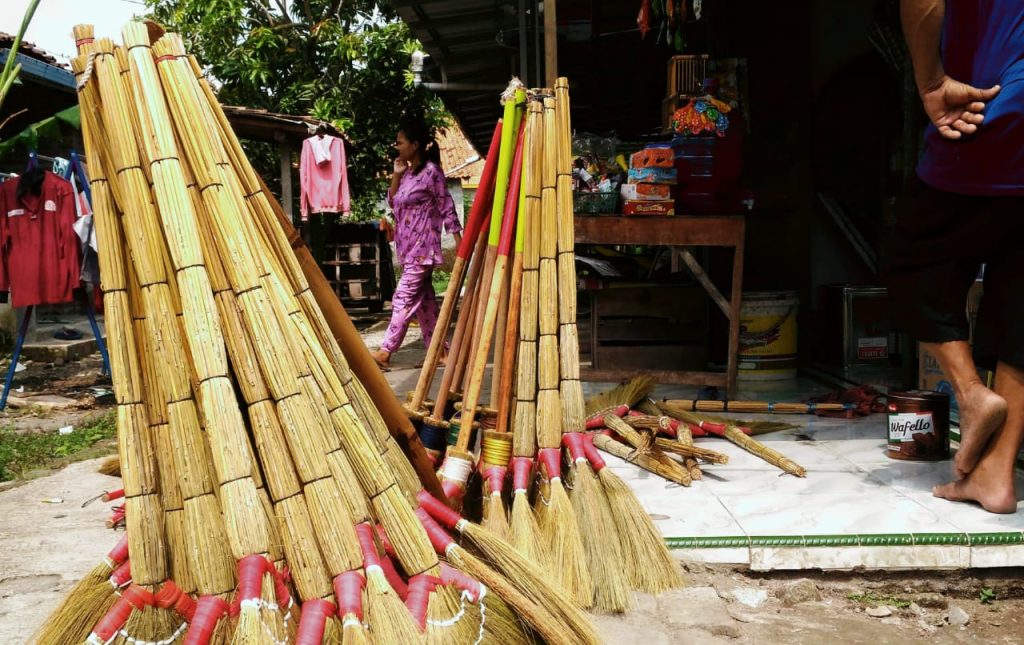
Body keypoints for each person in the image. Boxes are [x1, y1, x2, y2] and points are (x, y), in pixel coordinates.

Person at [888, 0, 1024, 513]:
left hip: (995, 108)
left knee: (914, 261)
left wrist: (929, 82)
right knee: (1020, 287)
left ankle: (970, 392)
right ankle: (995, 476)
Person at [370, 118, 462, 370]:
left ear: (416, 144)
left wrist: (459, 241)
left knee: (402, 298)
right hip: (407, 249)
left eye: (400, 142)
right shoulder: (407, 173)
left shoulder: (432, 172)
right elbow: (393, 201)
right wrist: (396, 176)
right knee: (425, 304)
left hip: (424, 250)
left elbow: (446, 205)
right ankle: (441, 353)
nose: (396, 146)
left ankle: (386, 351)